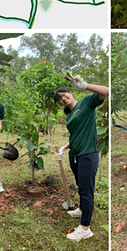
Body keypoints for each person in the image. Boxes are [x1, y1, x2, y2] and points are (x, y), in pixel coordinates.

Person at [53, 71, 109, 242]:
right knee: (81, 187)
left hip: (88, 154)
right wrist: (63, 147)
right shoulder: (69, 115)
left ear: (71, 93)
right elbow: (75, 135)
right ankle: (83, 210)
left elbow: (106, 91)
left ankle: (85, 228)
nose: (63, 99)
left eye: (64, 95)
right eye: (59, 99)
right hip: (75, 155)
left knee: (86, 190)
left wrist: (85, 86)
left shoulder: (86, 102)